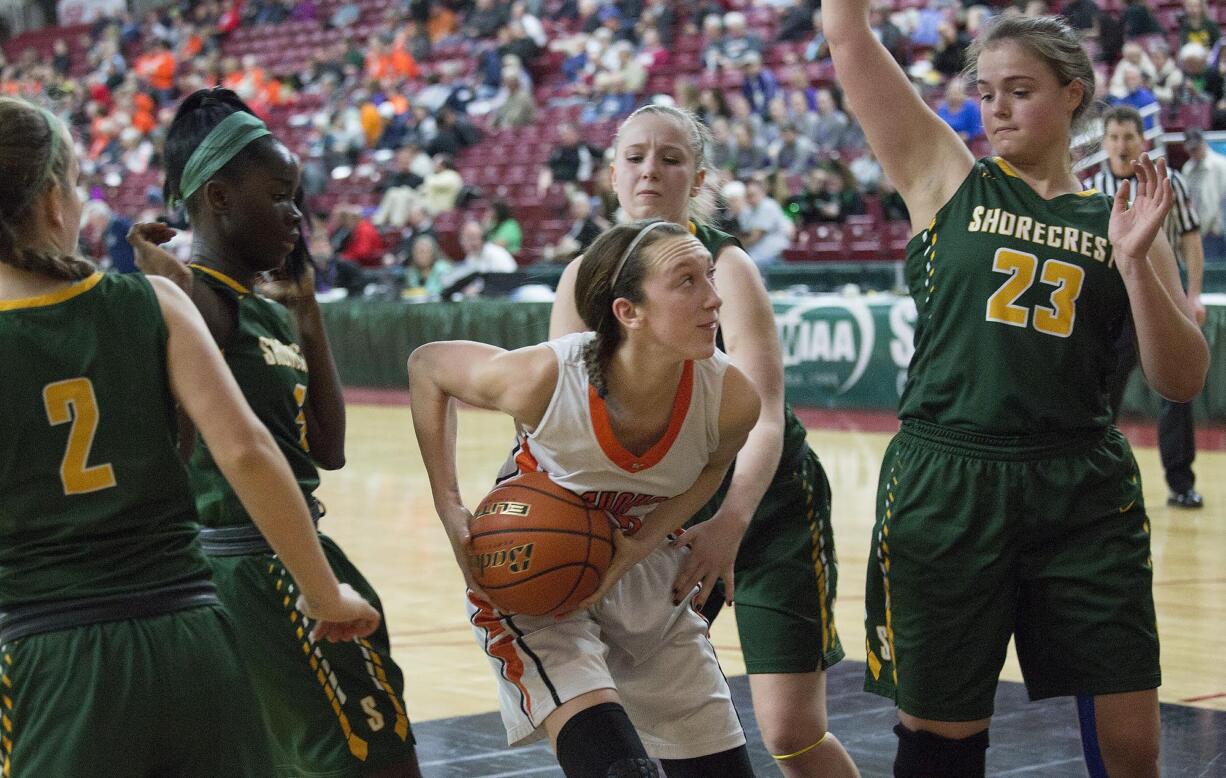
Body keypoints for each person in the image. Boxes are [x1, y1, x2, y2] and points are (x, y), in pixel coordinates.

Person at [825, 7, 1208, 776]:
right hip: (949, 476)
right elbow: (846, 36)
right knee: (941, 741)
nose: (995, 107)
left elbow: (1182, 378)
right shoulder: (944, 174)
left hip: (1080, 485)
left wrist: (1136, 266)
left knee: (1133, 746)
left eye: (1019, 90)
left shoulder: (1122, 219)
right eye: (987, 91)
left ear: (1074, 95)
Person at [0, 95, 379, 775]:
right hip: (191, 637)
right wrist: (325, 594)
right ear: (55, 203)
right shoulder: (158, 300)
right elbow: (248, 452)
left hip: (48, 655)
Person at [551, 104, 860, 777]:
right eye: (634, 157)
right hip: (663, 520)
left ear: (698, 175)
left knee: (792, 732)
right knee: (660, 726)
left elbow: (768, 414)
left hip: (765, 506)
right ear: (611, 173)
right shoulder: (583, 278)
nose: (650, 171)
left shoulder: (727, 264)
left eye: (670, 157)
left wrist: (731, 522)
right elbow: (562, 423)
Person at [136, 88, 424, 777]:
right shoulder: (198, 301)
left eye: (298, 195)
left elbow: (329, 448)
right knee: (373, 757)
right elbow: (176, 451)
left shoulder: (258, 306)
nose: (297, 213)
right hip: (256, 566)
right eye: (279, 193)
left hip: (289, 552)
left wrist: (307, 310)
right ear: (219, 197)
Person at [408, 219, 761, 778]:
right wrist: (448, 505)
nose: (714, 298)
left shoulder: (731, 398)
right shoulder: (546, 377)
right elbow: (428, 366)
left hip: (645, 576)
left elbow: (713, 468)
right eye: (688, 281)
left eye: (710, 277)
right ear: (629, 312)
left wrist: (639, 544)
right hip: (537, 583)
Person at [1089, 105, 1207, 509]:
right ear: (1104, 143)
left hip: (1163, 300)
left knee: (1177, 394)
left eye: (1129, 137)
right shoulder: (1092, 187)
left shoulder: (1169, 181)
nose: (1121, 145)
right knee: (1103, 394)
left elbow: (1191, 242)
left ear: (1144, 141)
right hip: (1114, 306)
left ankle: (1180, 482)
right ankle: (1094, 481)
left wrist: (1192, 295)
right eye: (1114, 138)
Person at [1181, 127, 1226, 261]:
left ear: (1203, 143)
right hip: (1198, 230)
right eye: (1191, 149)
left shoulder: (1220, 165)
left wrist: (1218, 226)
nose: (1194, 152)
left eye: (1196, 148)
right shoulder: (1187, 169)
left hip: (1217, 230)